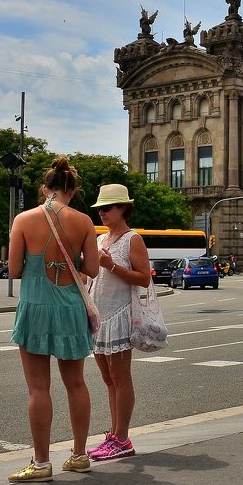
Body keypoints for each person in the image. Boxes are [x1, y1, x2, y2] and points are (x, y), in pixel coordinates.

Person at [7, 156, 100, 482]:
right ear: (72, 190)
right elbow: (91, 269)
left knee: (38, 389)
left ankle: (42, 461)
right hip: (71, 308)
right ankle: (78, 454)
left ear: (45, 188)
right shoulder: (84, 222)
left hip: (35, 305)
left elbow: (15, 270)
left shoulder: (23, 220)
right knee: (76, 383)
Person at [86, 184, 151, 461]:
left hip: (121, 314)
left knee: (121, 378)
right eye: (99, 209)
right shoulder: (101, 239)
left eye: (107, 208)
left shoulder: (132, 239)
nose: (102, 213)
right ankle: (114, 434)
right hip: (100, 316)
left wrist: (111, 265)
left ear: (123, 208)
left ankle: (122, 438)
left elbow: (144, 278)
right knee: (108, 378)